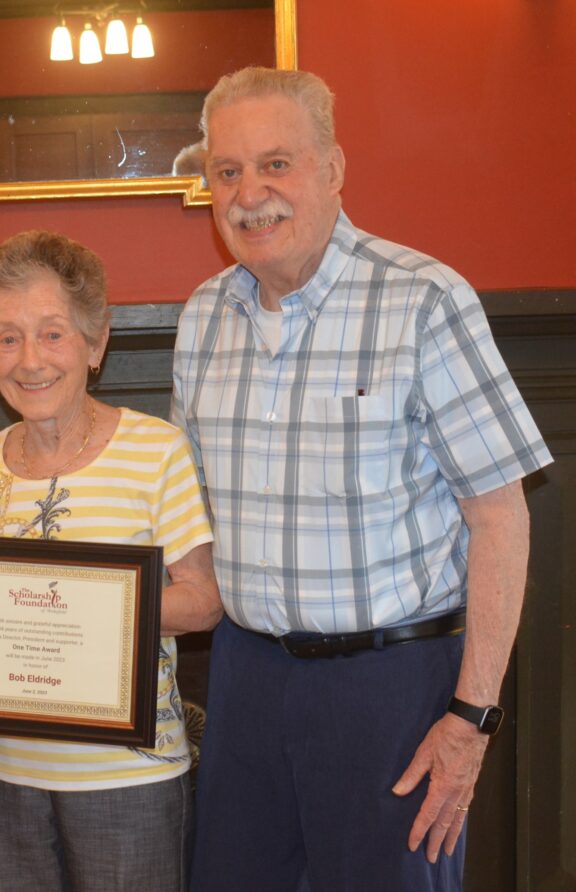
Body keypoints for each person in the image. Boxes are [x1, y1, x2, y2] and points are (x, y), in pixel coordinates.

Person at [171, 67, 553, 891]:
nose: (250, 194)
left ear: (334, 168)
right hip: (245, 678)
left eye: (277, 164)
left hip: (391, 689)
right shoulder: (202, 317)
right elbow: (180, 513)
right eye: (227, 171)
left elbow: (500, 517)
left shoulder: (425, 299)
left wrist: (471, 720)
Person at [0, 230, 222, 891]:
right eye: (7, 336)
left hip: (127, 776)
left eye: (52, 333)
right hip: (4, 772)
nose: (30, 359)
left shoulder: (156, 453)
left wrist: (91, 604)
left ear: (95, 343)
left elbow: (204, 602)